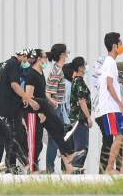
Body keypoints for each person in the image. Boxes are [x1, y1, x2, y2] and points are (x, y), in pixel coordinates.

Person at [98, 33, 123, 174]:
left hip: (117, 107)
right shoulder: (110, 62)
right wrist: (120, 104)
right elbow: (109, 85)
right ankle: (109, 168)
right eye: (120, 43)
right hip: (111, 107)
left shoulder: (111, 62)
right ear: (114, 46)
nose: (121, 46)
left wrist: (122, 105)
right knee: (119, 135)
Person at [0, 48, 34, 173]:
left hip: (8, 104)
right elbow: (14, 84)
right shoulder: (14, 64)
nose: (27, 62)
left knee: (14, 135)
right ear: (23, 56)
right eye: (27, 59)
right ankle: (10, 165)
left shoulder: (8, 63)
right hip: (11, 106)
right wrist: (25, 96)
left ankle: (12, 164)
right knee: (14, 135)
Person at [24, 49, 52, 173]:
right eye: (44, 57)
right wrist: (39, 112)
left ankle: (34, 166)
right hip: (33, 113)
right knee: (34, 142)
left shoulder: (40, 73)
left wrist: (50, 101)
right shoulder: (31, 74)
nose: (46, 60)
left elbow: (41, 93)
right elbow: (29, 96)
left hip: (41, 111)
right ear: (39, 58)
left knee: (39, 142)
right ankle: (31, 168)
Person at [45, 44, 70, 172]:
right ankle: (50, 168)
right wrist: (53, 101)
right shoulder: (56, 72)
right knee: (54, 140)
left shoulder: (59, 70)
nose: (67, 54)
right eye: (67, 52)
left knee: (57, 138)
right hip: (55, 108)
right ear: (62, 55)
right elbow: (48, 92)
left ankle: (60, 166)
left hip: (58, 107)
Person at [69, 57, 91, 170]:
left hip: (78, 117)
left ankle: (78, 167)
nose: (87, 66)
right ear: (80, 68)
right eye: (85, 64)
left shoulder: (76, 81)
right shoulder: (79, 82)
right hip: (79, 118)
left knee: (82, 144)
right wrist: (88, 117)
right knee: (81, 146)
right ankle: (76, 167)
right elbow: (81, 101)